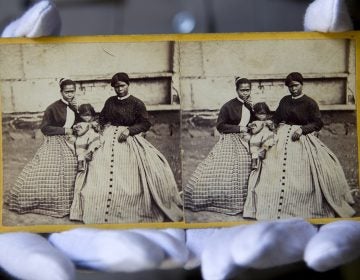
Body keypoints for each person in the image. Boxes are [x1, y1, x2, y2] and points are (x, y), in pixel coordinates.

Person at [1, 1, 360, 280]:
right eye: (119, 86)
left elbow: (143, 120)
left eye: (125, 85)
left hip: (284, 268)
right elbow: (107, 119)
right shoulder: (110, 104)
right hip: (102, 259)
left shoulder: (141, 104)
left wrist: (134, 131)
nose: (121, 90)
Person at [243, 72, 356, 220]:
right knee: (270, 165)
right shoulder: (284, 101)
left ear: (302, 85)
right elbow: (277, 117)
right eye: (290, 86)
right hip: (282, 136)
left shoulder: (310, 103)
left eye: (296, 85)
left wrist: (302, 130)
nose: (293, 89)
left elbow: (317, 123)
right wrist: (273, 123)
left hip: (302, 137)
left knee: (315, 168)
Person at [74, 72, 183, 224]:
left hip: (130, 139)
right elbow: (104, 118)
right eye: (116, 87)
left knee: (139, 169)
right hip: (108, 136)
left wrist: (129, 131)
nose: (119, 89)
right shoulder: (110, 102)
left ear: (128, 85)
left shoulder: (137, 103)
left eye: (122, 86)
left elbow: (145, 123)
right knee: (97, 164)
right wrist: (98, 124)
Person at [5, 78, 79, 218]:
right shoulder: (53, 107)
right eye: (67, 92)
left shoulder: (74, 106)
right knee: (54, 169)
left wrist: (76, 112)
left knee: (76, 165)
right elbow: (45, 128)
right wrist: (64, 131)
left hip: (71, 140)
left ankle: (73, 204)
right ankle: (49, 203)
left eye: (72, 91)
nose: (70, 94)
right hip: (55, 141)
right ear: (61, 92)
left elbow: (79, 120)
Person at [184, 77, 253, 215]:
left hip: (247, 139)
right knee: (227, 169)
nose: (245, 93)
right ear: (237, 90)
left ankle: (249, 201)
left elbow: (254, 121)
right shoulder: (228, 106)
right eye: (242, 90)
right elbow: (220, 126)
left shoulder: (250, 105)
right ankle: (225, 200)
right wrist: (240, 129)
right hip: (231, 140)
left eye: (247, 90)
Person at [69, 103, 102, 221]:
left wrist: (94, 126)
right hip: (83, 144)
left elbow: (98, 132)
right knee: (81, 151)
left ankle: (91, 152)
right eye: (84, 116)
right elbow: (79, 132)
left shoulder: (95, 124)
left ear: (93, 115)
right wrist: (87, 125)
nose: (87, 118)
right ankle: (82, 160)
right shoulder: (80, 125)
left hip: (93, 144)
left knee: (96, 141)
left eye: (89, 116)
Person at [247, 102, 276, 170]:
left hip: (266, 136)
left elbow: (273, 129)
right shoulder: (254, 122)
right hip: (257, 137)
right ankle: (254, 163)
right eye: (259, 114)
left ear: (267, 114)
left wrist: (270, 125)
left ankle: (263, 150)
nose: (261, 116)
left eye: (264, 114)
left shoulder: (268, 121)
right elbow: (254, 131)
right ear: (255, 114)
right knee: (254, 150)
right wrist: (261, 126)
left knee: (269, 139)